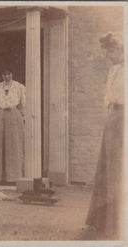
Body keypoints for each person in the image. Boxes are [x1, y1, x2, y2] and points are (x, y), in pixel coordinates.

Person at [85, 33, 125, 239]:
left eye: (110, 51)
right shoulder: (114, 70)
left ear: (120, 48)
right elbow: (108, 96)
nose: (108, 55)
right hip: (113, 119)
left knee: (120, 169)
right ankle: (102, 221)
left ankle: (119, 223)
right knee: (107, 168)